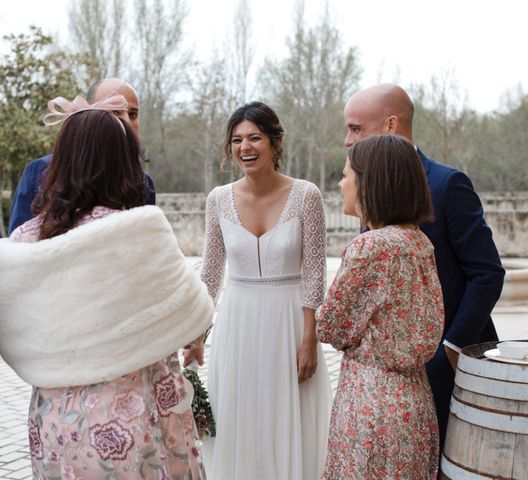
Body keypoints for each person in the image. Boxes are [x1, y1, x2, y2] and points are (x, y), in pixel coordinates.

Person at [0, 96, 213, 479]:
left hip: (56, 417)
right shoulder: (137, 230)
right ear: (123, 161)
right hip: (131, 414)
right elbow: (194, 315)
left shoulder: (25, 240)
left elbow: (11, 328)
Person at [343, 84, 505, 462]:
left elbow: (487, 273)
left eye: (355, 128)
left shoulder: (448, 184)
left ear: (390, 125)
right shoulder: (368, 183)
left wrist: (451, 347)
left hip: (447, 364)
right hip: (390, 377)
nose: (347, 139)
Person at [188, 101, 332, 479]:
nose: (245, 148)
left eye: (254, 138)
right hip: (238, 324)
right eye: (236, 140)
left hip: (290, 323)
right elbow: (211, 272)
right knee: (240, 415)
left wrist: (308, 338)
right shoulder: (218, 199)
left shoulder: (307, 195)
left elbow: (315, 271)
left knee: (288, 416)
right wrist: (197, 335)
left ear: (274, 142)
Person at [316, 134, 444, 479]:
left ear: (370, 183)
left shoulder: (370, 247)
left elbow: (329, 327)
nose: (341, 184)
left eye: (347, 175)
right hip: (415, 401)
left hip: (371, 404)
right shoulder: (420, 243)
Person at [7, 77, 155, 234]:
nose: (126, 121)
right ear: (88, 115)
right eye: (115, 112)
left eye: (133, 114)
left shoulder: (142, 183)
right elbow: (17, 244)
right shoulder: (40, 171)